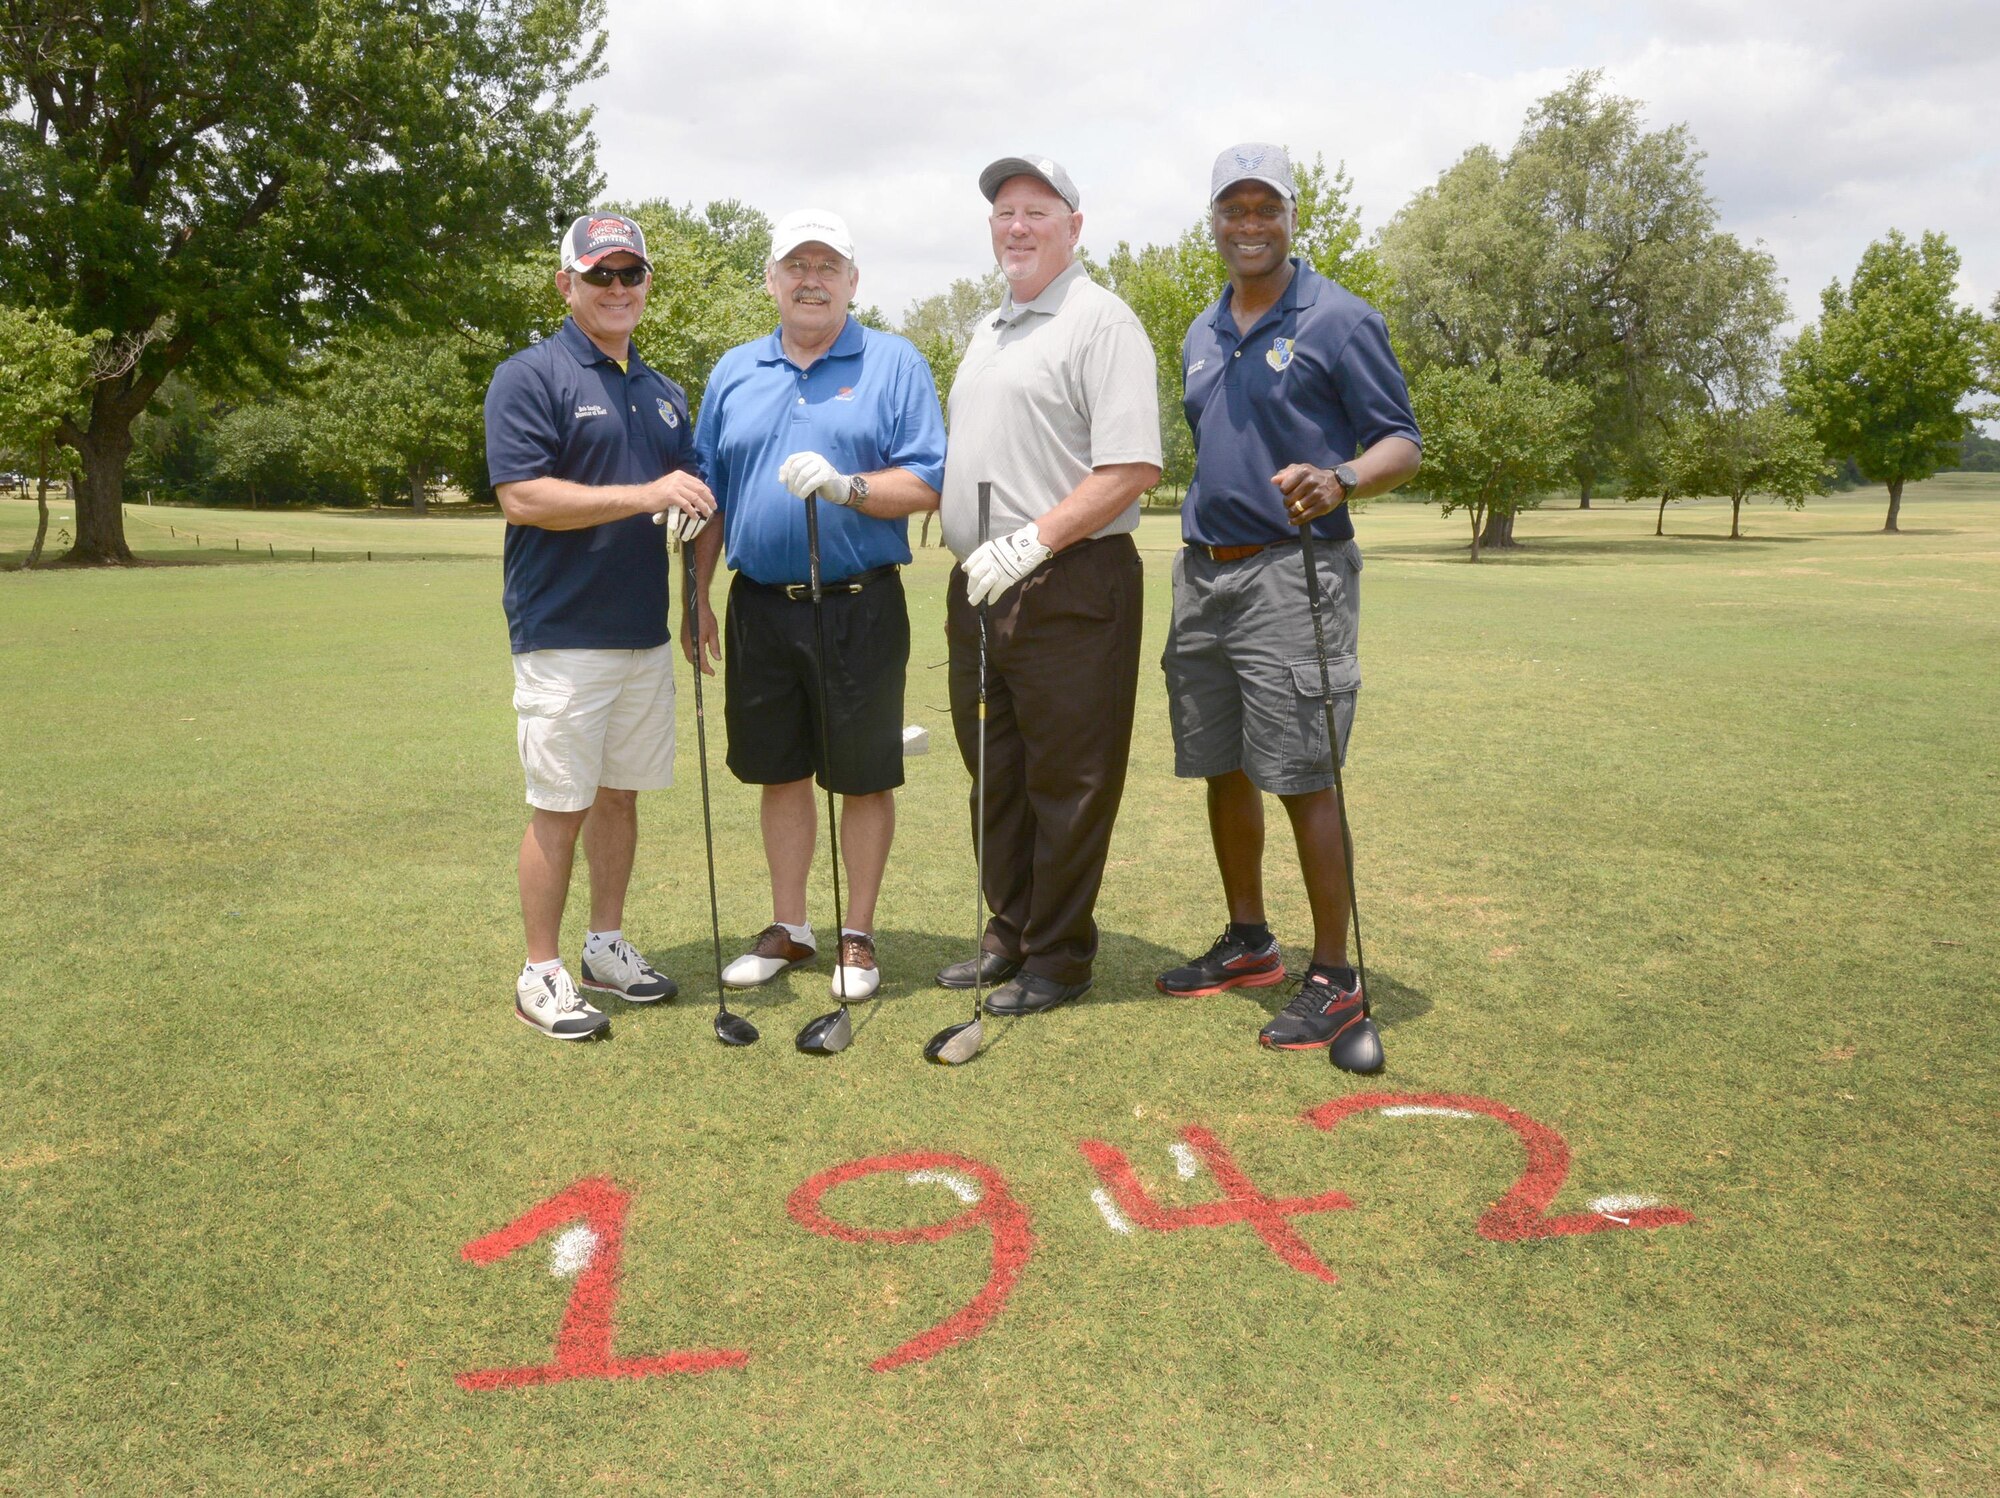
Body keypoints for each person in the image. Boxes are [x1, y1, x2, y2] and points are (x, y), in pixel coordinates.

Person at [1155, 143, 1421, 1058]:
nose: (1250, 225)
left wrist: (1341, 476)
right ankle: (1250, 941)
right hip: (1203, 573)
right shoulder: (1198, 331)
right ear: (1215, 222)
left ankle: (1336, 977)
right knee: (1223, 765)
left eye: (1267, 208)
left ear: (1292, 217)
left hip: (1293, 570)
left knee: (1304, 770)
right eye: (1234, 209)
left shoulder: (1341, 320)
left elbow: (1401, 442)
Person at [685, 210, 945, 1001]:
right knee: (780, 771)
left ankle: (856, 936)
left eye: (827, 266)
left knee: (865, 777)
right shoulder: (734, 370)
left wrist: (849, 486)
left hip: (859, 602)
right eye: (795, 265)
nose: (811, 279)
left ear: (852, 281)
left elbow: (928, 479)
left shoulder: (894, 362)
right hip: (760, 603)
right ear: (770, 280)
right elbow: (711, 495)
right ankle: (791, 928)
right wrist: (697, 596)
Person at [937, 155, 1162, 1016]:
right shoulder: (990, 328)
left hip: (1070, 579)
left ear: (1075, 225)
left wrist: (1033, 539)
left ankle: (1060, 955)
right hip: (982, 584)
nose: (1017, 225)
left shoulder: (1102, 322)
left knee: (1068, 777)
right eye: (1003, 211)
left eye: (1036, 209)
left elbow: (1131, 466)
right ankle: (1013, 925)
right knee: (994, 767)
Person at [484, 212, 717, 1040]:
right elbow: (525, 498)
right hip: (560, 634)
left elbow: (693, 502)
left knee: (620, 798)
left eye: (631, 275)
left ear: (646, 284)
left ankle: (604, 947)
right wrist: (648, 494)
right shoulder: (531, 375)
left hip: (641, 635)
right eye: (600, 275)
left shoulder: (661, 393)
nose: (617, 289)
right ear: (567, 285)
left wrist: (697, 600)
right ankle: (539, 971)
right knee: (561, 804)